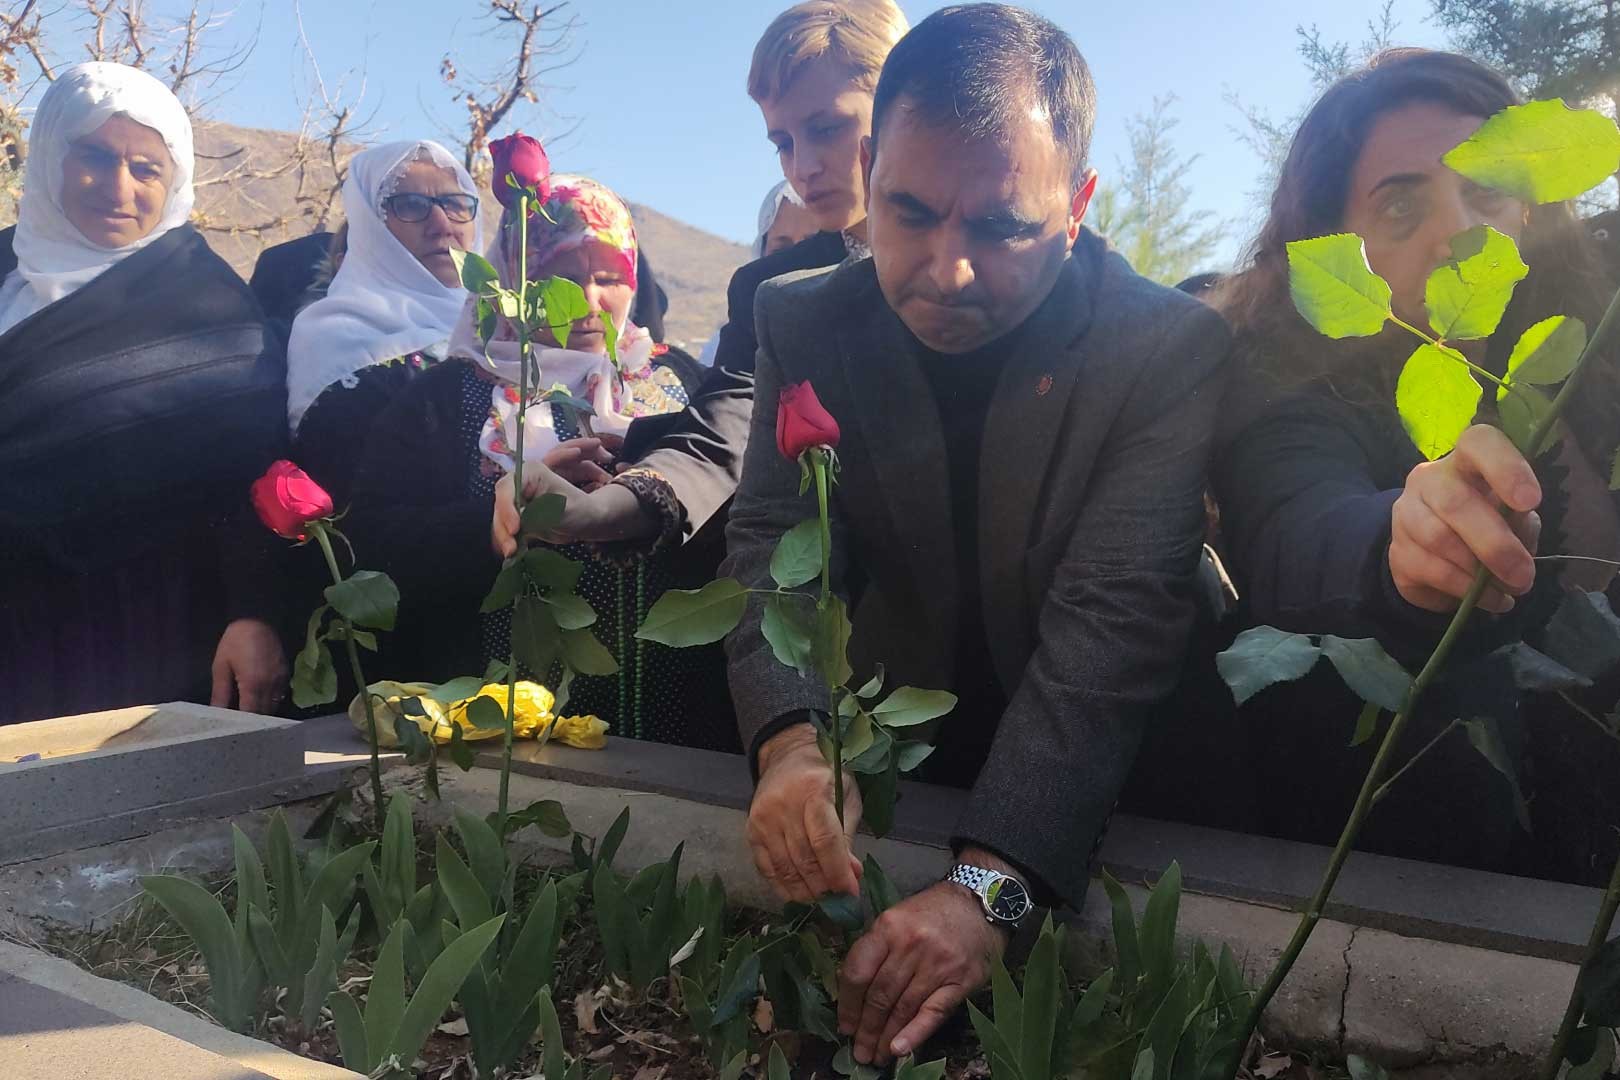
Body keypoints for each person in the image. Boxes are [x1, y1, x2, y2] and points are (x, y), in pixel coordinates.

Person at [726, 5, 1228, 1063]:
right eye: (908, 212)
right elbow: (776, 541)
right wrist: (790, 744)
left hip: (1115, 782)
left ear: (1079, 206)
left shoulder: (1164, 351)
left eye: (1002, 229)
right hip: (905, 749)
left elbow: (1115, 628)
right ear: (871, 179)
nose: (946, 270)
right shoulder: (803, 320)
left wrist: (991, 889)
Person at [1210, 49, 1620, 879]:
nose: (1458, 233)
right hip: (1428, 895)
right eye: (1401, 208)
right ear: (1331, 243)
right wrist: (1400, 547)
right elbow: (1296, 522)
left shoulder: (1594, 359)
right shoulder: (1291, 391)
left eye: (1488, 191)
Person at [500, 0, 908, 557]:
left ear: (900, 106)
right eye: (783, 143)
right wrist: (604, 509)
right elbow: (727, 434)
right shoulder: (775, 289)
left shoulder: (1005, 252)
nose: (802, 166)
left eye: (827, 128)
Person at [349, 175, 735, 750]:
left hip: (676, 730)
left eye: (609, 278)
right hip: (487, 739)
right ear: (513, 279)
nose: (588, 301)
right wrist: (492, 521)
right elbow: (374, 543)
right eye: (561, 278)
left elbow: (729, 500)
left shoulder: (682, 381)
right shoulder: (445, 395)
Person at [0, 62, 287, 724]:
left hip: (126, 628)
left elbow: (251, 477)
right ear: (48, 157)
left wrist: (255, 612)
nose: (118, 187)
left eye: (146, 169)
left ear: (175, 179)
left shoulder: (209, 307)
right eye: (94, 157)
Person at [285, 140, 482, 510]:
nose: (442, 225)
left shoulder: (505, 329)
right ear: (368, 226)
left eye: (456, 204)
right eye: (410, 205)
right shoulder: (335, 337)